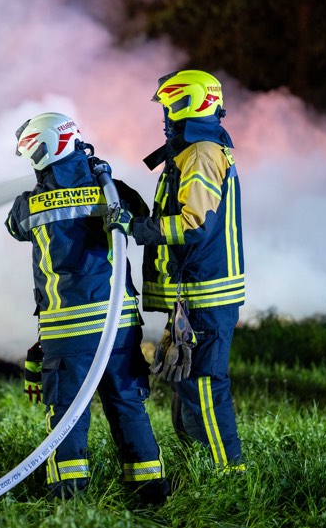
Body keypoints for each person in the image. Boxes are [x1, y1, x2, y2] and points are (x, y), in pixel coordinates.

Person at [5, 111, 171, 503]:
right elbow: (140, 216)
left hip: (67, 330)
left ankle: (69, 496)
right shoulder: (113, 191)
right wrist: (98, 176)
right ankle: (150, 490)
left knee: (67, 413)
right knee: (127, 403)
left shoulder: (29, 204)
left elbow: (15, 228)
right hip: (118, 326)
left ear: (43, 152)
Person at [107, 69, 245, 471]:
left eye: (169, 106)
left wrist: (137, 228)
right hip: (194, 293)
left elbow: (194, 224)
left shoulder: (200, 153)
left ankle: (228, 475)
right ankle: (198, 468)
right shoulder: (192, 151)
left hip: (205, 294)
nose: (165, 116)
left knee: (203, 386)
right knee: (187, 386)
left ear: (189, 103)